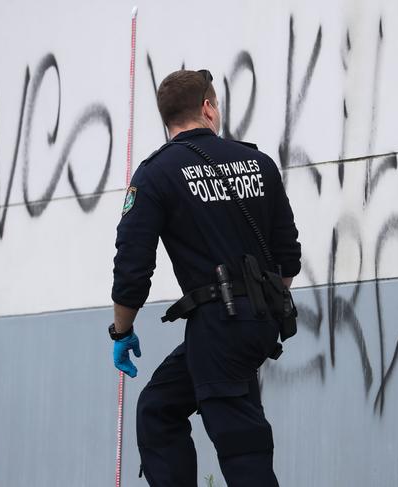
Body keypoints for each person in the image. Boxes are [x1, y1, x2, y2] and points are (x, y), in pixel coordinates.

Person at [109, 69, 301, 486]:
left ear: (167, 118)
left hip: (218, 325)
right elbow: (289, 256)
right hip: (254, 322)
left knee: (241, 444)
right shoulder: (258, 163)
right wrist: (263, 304)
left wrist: (121, 331)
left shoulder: (155, 174)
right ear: (208, 108)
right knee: (159, 408)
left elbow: (132, 266)